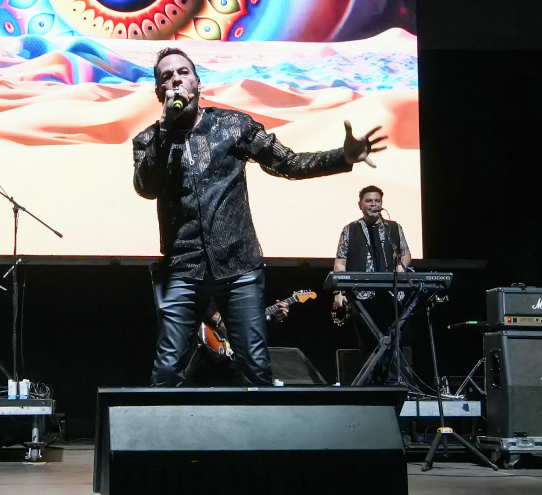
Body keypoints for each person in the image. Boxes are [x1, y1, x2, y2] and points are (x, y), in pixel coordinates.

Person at [133, 47, 387, 387]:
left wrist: (343, 156)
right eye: (167, 76)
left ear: (197, 82)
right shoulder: (148, 140)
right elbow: (146, 187)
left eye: (183, 72)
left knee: (255, 368)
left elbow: (289, 163)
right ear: (158, 92)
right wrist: (165, 131)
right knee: (166, 371)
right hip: (182, 269)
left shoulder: (233, 125)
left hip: (239, 267)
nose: (176, 80)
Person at [333, 185, 412, 382]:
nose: (373, 204)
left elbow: (405, 254)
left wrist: (401, 266)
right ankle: (371, 385)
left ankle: (393, 384)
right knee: (368, 343)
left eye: (377, 201)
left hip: (391, 295)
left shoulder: (394, 228)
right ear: (360, 204)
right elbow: (340, 263)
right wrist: (339, 292)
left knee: (393, 341)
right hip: (361, 297)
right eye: (369, 201)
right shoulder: (350, 230)